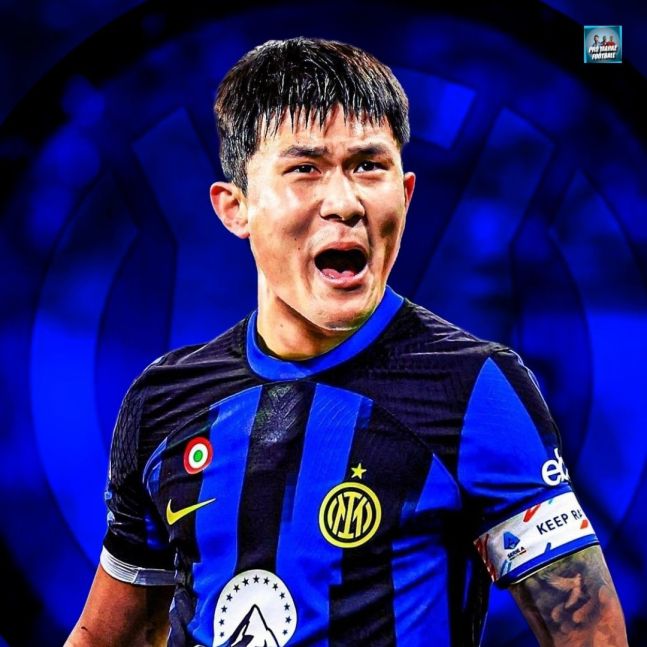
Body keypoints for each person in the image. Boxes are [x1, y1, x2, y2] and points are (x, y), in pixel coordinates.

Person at [66, 37, 628, 646]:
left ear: (405, 195)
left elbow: (590, 632)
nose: (345, 202)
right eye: (304, 168)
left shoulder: (475, 389)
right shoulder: (163, 400)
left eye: (368, 166)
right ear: (236, 208)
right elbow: (107, 638)